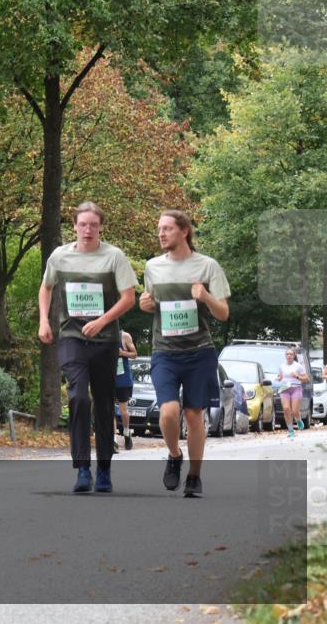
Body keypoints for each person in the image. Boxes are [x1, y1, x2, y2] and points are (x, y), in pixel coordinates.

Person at [38, 202, 137, 494]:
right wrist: (44, 321)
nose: (88, 229)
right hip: (71, 336)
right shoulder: (60, 256)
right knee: (79, 397)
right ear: (75, 226)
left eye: (94, 224)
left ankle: (104, 468)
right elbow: (46, 287)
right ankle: (82, 468)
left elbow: (128, 297)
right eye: (83, 224)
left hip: (105, 340)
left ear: (101, 227)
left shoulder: (114, 256)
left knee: (104, 403)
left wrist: (103, 321)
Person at [139, 210, 230, 498]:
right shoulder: (153, 267)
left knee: (193, 414)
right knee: (168, 411)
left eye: (166, 228)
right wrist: (146, 304)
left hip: (199, 352)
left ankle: (194, 476)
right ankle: (174, 454)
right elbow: (154, 304)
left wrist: (205, 296)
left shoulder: (207, 266)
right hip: (164, 351)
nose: (161, 234)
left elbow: (224, 313)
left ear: (184, 231)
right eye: (159, 229)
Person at [277, 348, 309, 437]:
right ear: (285, 356)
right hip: (285, 388)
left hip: (296, 388)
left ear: (294, 355)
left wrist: (297, 376)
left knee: (295, 411)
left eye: (291, 354)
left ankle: (298, 420)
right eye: (287, 354)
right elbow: (280, 377)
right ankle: (291, 430)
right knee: (286, 409)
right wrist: (279, 378)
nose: (289, 355)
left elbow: (306, 378)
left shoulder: (298, 366)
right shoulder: (282, 366)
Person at [115, 330, 137, 451]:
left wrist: (122, 352)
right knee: (110, 410)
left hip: (122, 379)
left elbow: (134, 354)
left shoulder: (124, 336)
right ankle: (113, 439)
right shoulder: (102, 334)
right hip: (108, 378)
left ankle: (127, 433)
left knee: (123, 410)